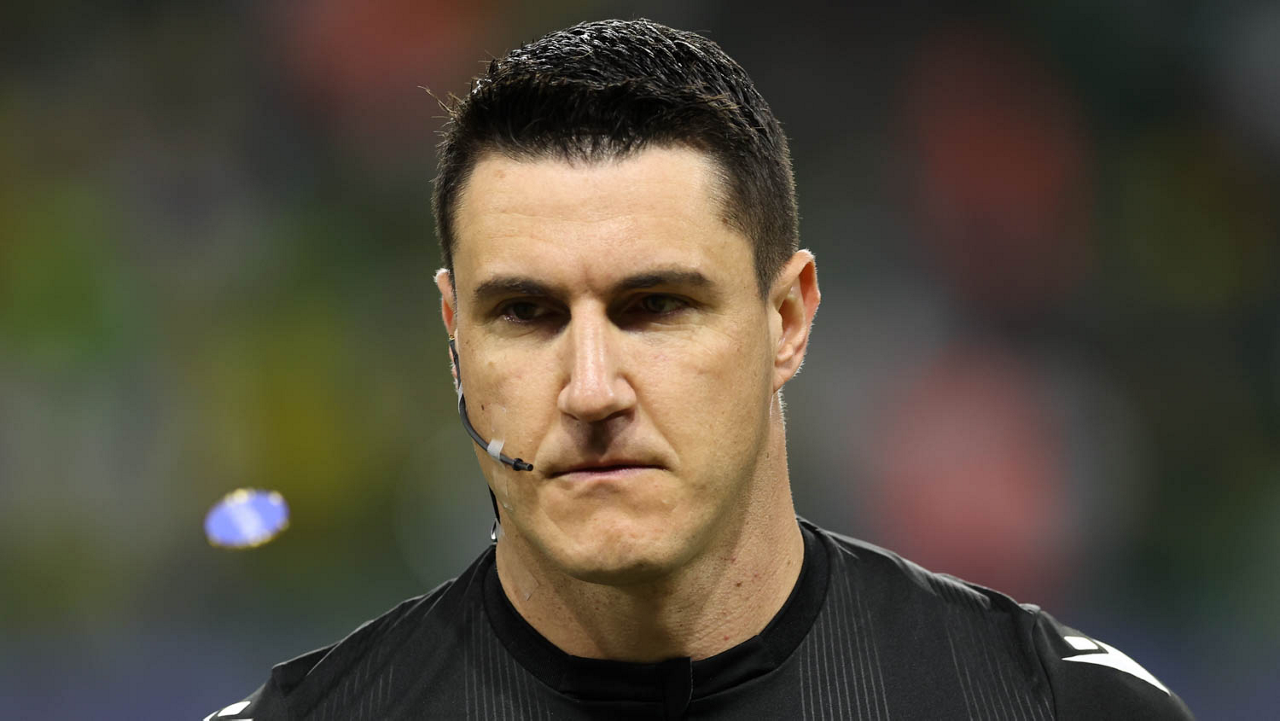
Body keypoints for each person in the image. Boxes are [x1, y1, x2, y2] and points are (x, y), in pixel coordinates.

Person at [207, 19, 1194, 720]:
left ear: (787, 319)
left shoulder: (1060, 706)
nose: (592, 389)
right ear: (453, 337)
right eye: (525, 313)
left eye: (655, 307)